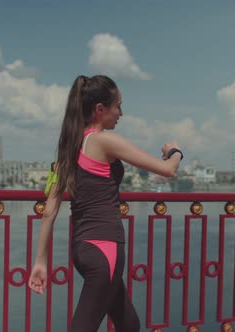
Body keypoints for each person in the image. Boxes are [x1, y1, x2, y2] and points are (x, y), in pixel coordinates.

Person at [27, 74, 184, 332]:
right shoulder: (104, 141)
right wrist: (175, 151)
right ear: (100, 110)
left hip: (83, 249)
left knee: (129, 324)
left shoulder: (70, 146)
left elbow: (49, 211)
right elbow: (167, 170)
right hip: (105, 250)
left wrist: (40, 262)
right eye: (118, 106)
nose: (121, 113)